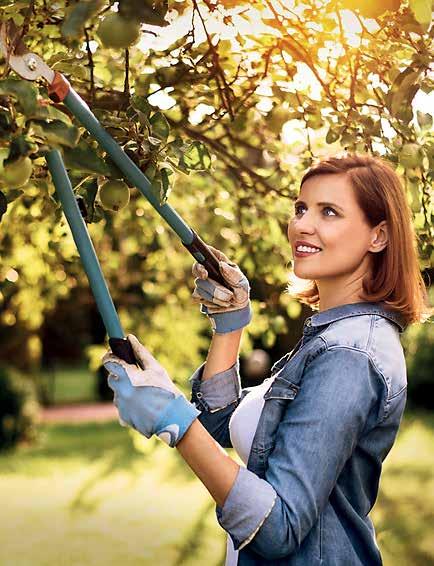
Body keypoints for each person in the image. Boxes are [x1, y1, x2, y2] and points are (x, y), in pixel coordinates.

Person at [102, 154, 432, 565]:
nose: (302, 225)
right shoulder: (329, 337)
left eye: (328, 212)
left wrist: (172, 419)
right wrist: (229, 326)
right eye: (301, 208)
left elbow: (280, 528)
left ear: (378, 236)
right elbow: (220, 428)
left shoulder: (349, 354)